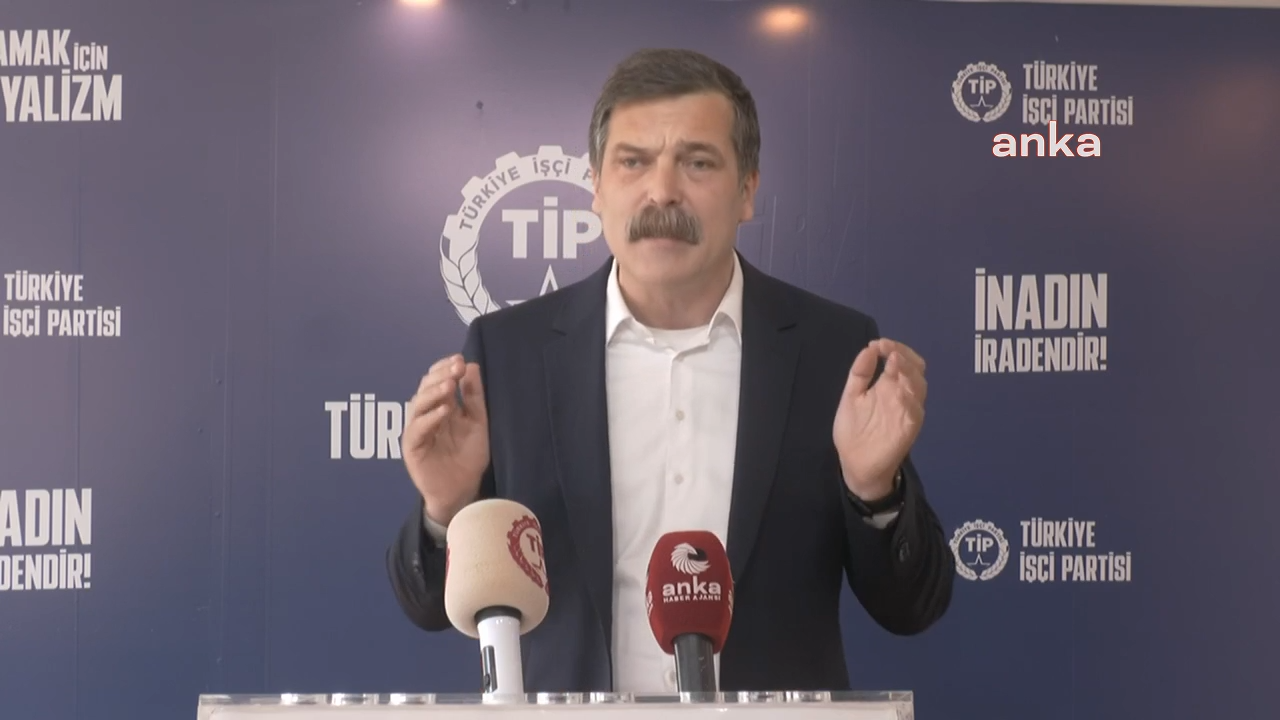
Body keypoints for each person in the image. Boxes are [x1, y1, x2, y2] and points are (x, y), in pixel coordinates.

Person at [387, 47, 953, 694]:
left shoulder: (834, 350)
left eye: (698, 162)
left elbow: (913, 606)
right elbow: (427, 605)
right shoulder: (507, 352)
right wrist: (446, 507)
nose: (662, 191)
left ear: (747, 190)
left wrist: (873, 489)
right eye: (633, 162)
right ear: (597, 188)